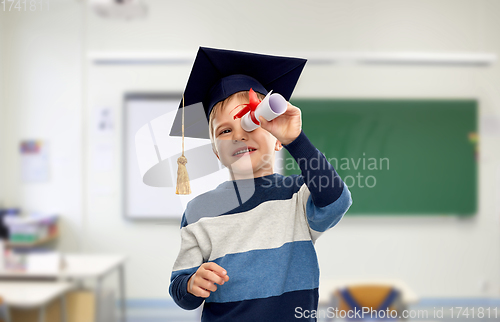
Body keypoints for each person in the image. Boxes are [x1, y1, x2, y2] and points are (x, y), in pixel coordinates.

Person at [168, 47, 353, 321]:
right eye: (225, 130)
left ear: (277, 139)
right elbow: (180, 289)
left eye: (251, 123)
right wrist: (192, 283)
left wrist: (297, 139)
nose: (239, 136)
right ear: (217, 152)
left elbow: (337, 200)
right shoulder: (199, 211)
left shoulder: (297, 196)